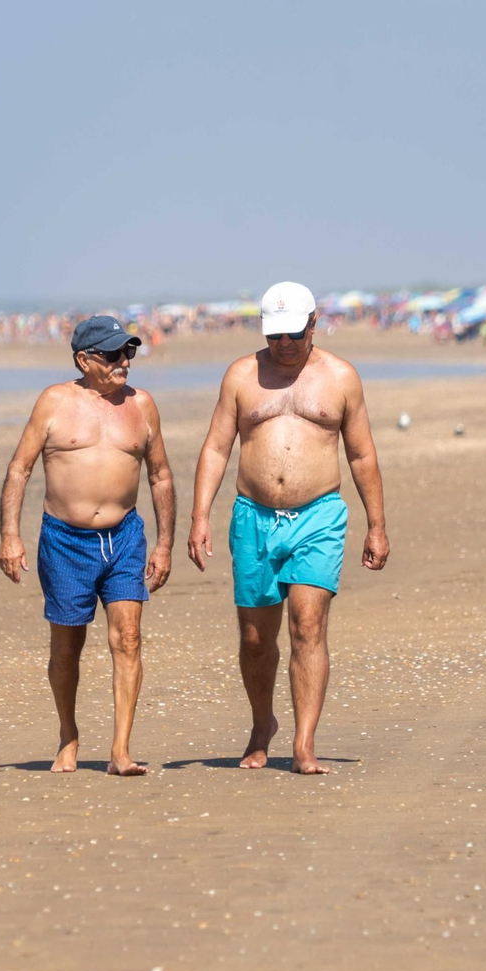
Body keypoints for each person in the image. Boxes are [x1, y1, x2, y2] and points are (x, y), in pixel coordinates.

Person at [188, 281, 389, 775]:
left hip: (318, 515)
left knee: (307, 624)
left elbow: (361, 454)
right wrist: (199, 517)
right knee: (256, 637)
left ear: (314, 323)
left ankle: (303, 743)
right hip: (252, 517)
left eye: (294, 334)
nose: (284, 344)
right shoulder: (241, 375)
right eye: (275, 334)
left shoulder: (341, 377)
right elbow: (216, 448)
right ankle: (262, 725)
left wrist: (377, 525)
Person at [0, 315, 175, 776]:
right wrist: (10, 536)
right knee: (66, 647)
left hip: (125, 537)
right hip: (65, 540)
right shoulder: (55, 402)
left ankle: (120, 751)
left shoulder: (143, 405)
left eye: (128, 353)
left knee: (128, 638)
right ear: (84, 359)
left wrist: (165, 545)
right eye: (114, 355)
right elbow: (20, 468)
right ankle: (68, 735)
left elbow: (160, 476)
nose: (124, 363)